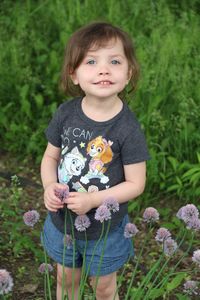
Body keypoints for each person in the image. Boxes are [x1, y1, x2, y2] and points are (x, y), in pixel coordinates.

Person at [41, 22, 150, 300]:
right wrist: (49, 185)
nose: (104, 69)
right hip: (61, 220)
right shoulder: (66, 113)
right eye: (91, 61)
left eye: (114, 61)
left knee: (103, 286)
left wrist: (93, 201)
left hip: (106, 228)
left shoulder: (127, 127)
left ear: (129, 73)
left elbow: (136, 184)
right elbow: (51, 156)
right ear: (73, 74)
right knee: (66, 279)